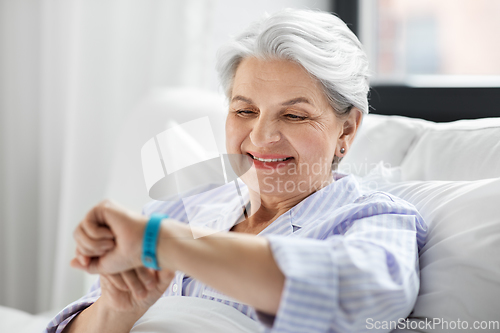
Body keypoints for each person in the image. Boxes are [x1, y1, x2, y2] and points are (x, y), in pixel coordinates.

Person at [46, 8, 427, 333]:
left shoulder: (373, 217)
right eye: (245, 111)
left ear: (347, 129)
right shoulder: (175, 211)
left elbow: (364, 297)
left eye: (294, 115)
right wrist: (118, 307)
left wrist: (165, 244)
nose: (261, 137)